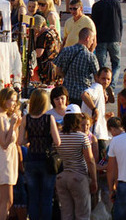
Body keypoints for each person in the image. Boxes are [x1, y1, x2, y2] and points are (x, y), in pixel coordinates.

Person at [17, 89, 61, 220]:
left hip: (31, 159)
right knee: (47, 197)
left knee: (34, 196)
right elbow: (57, 141)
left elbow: (20, 141)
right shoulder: (49, 118)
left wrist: (31, 139)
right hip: (46, 160)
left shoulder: (26, 118)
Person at [56, 104, 98, 220]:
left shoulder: (58, 136)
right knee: (82, 215)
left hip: (62, 177)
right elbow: (90, 160)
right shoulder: (82, 137)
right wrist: (94, 180)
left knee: (66, 214)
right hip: (79, 177)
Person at [54, 27, 99, 105]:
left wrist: (66, 75)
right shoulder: (90, 56)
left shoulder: (66, 50)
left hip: (67, 94)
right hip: (83, 96)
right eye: (92, 40)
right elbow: (97, 77)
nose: (92, 43)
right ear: (87, 38)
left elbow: (57, 71)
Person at [92, 0, 123, 90]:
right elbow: (120, 22)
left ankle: (104, 85)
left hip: (101, 39)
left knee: (102, 66)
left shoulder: (96, 6)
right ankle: (112, 84)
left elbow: (93, 24)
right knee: (117, 64)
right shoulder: (116, 4)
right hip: (114, 38)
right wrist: (120, 38)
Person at [80, 67, 112, 158]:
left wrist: (104, 116)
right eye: (103, 78)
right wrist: (95, 109)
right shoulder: (97, 87)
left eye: (108, 79)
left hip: (95, 133)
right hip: (96, 135)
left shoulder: (101, 91)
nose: (106, 81)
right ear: (97, 78)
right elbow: (84, 95)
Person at [0, 88, 19, 220]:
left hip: (10, 159)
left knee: (9, 201)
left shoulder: (6, 116)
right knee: (6, 201)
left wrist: (16, 124)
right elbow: (4, 143)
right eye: (11, 100)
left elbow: (15, 140)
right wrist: (12, 125)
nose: (14, 103)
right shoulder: (1, 117)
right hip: (4, 160)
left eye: (15, 100)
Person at [33, 15, 60, 85]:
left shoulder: (43, 36)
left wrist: (35, 40)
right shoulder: (53, 32)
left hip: (47, 68)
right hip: (56, 65)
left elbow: (38, 53)